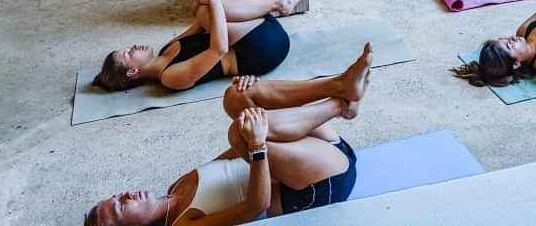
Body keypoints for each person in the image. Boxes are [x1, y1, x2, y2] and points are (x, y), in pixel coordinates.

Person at [85, 44, 373, 225]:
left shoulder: (176, 188)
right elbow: (254, 207)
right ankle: (341, 106)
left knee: (236, 96)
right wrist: (256, 144)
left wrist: (253, 105)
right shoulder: (184, 224)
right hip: (319, 185)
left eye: (118, 195)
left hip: (309, 157)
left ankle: (339, 87)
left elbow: (232, 158)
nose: (126, 195)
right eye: (122, 206)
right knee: (240, 133)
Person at [92, 0, 309, 92]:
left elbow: (199, 21)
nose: (133, 46)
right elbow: (219, 49)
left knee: (201, 5)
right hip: (264, 50)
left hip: (255, 29)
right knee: (209, 10)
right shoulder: (170, 77)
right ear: (132, 71)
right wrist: (213, 3)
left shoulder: (166, 49)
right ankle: (277, 2)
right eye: (128, 53)